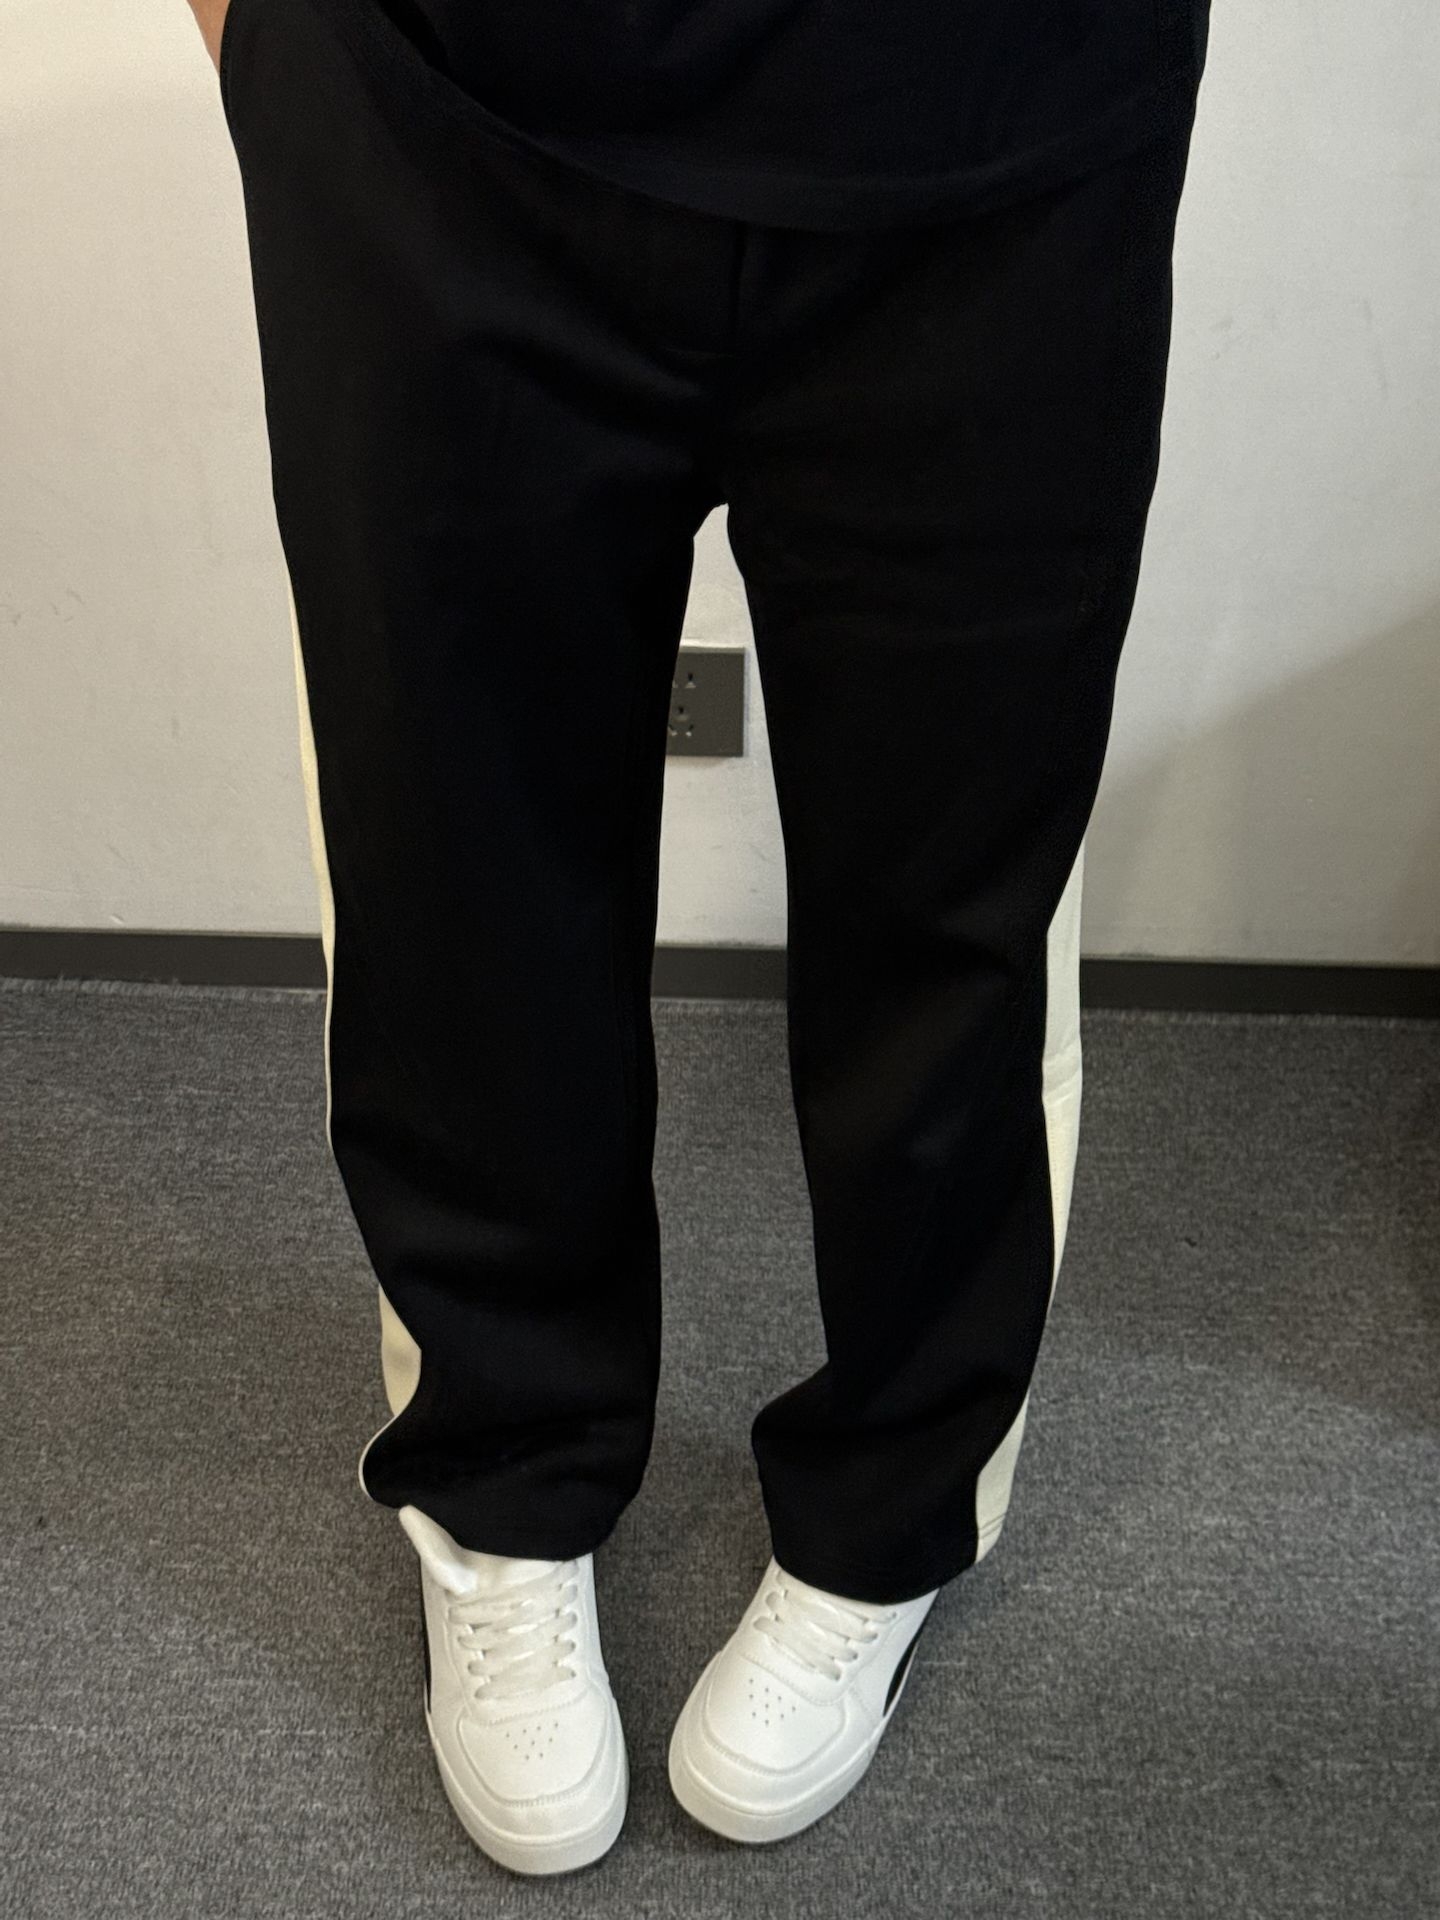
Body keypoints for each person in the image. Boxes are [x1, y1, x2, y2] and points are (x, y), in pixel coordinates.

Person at [188, 0, 1210, 1876]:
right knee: (455, 868)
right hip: (444, 114)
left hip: (1004, 131)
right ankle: (501, 1486)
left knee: (952, 899)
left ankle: (890, 1513)